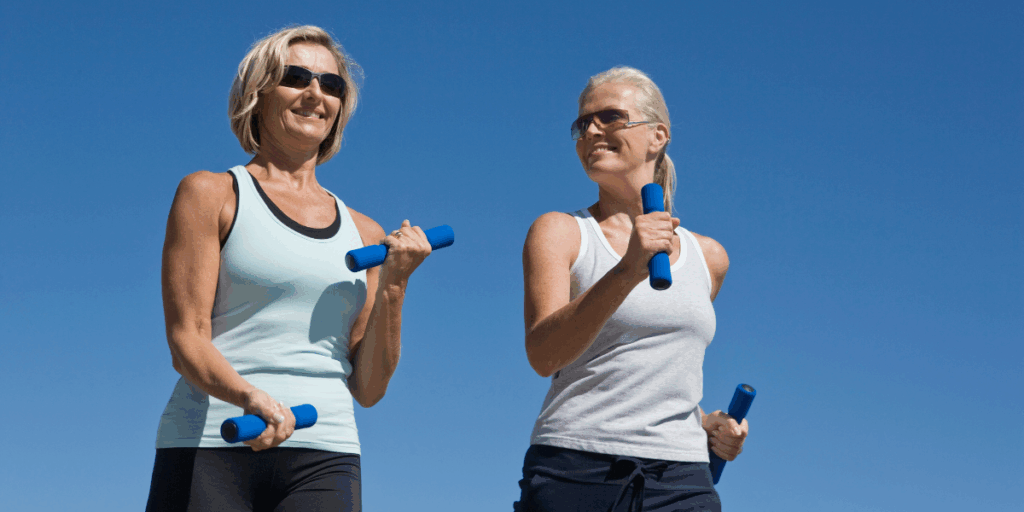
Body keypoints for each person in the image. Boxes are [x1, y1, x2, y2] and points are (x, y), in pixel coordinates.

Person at [146, 25, 433, 512]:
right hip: (215, 438)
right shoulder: (211, 194)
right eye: (295, 77)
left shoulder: (365, 232)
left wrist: (396, 286)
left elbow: (368, 388)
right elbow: (187, 340)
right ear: (257, 93)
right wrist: (252, 399)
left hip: (326, 453)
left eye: (331, 84)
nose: (315, 93)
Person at [514, 67, 750, 512]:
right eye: (582, 124)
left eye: (609, 117)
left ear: (658, 135)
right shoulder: (560, 232)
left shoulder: (710, 257)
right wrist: (626, 270)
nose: (591, 131)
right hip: (577, 468)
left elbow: (647, 372)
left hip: (681, 476)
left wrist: (706, 425)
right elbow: (544, 355)